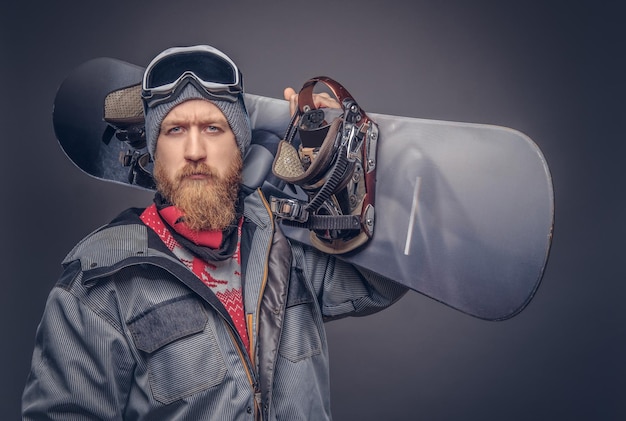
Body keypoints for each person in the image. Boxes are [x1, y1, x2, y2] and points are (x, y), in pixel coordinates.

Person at [22, 45, 408, 420]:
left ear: (240, 147)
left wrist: (345, 174)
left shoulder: (286, 243)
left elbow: (381, 281)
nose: (194, 150)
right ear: (155, 153)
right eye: (175, 130)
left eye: (212, 127)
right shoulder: (99, 283)